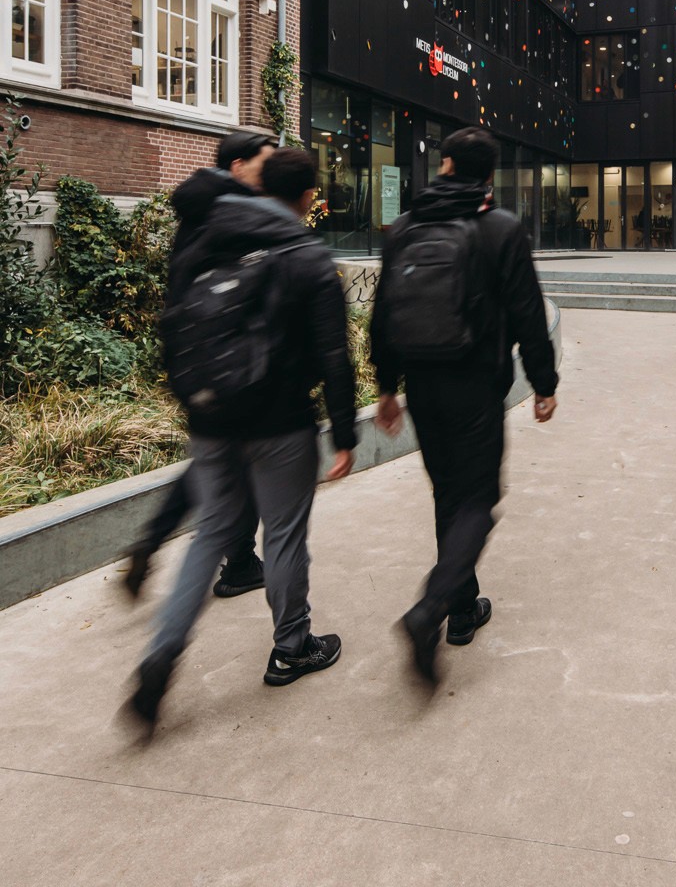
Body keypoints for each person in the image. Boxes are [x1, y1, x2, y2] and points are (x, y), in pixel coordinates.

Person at [127, 149, 355, 736]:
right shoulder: (307, 255)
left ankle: (162, 652)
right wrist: (345, 432)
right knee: (283, 534)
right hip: (281, 422)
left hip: (211, 418)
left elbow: (175, 321)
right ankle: (292, 647)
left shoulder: (208, 234)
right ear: (308, 196)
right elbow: (334, 354)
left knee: (210, 535)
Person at [369, 127, 559, 690]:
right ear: (490, 175)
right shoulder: (501, 229)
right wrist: (544, 383)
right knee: (478, 500)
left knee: (448, 495)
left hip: (423, 386)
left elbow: (383, 312)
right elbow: (528, 314)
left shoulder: (405, 227)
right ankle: (432, 607)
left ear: (446, 165)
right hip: (477, 385)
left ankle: (462, 607)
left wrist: (386, 387)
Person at [125, 129, 277, 605]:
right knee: (237, 458)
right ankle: (237, 562)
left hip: (192, 358)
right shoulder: (234, 212)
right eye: (264, 164)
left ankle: (159, 541)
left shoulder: (199, 207)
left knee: (214, 457)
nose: (269, 174)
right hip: (231, 358)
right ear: (238, 166)